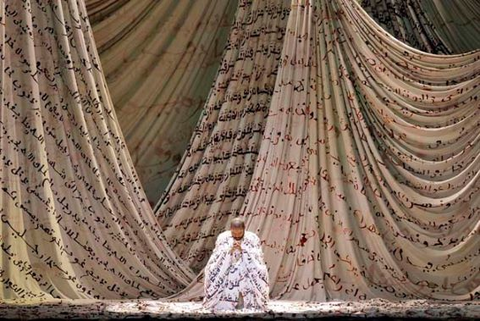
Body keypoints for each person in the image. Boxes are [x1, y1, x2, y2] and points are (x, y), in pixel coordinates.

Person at [202, 217, 269, 311]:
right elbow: (216, 255)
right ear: (230, 230)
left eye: (240, 233)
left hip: (247, 266)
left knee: (249, 272)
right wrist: (229, 251)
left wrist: (244, 251)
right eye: (234, 233)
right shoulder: (223, 237)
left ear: (244, 229)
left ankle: (246, 303)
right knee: (216, 271)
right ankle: (224, 303)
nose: (237, 236)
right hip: (227, 265)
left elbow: (258, 256)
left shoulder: (252, 238)